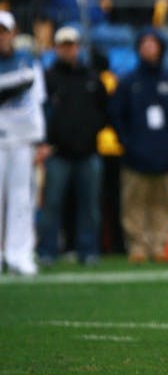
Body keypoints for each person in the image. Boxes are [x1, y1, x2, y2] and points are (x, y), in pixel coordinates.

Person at [109, 30, 168, 263]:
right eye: (145, 45)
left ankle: (159, 245)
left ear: (161, 49)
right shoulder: (128, 82)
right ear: (138, 49)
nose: (149, 49)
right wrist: (128, 144)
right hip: (135, 157)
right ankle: (137, 246)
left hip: (164, 156)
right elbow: (116, 116)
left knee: (162, 204)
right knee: (133, 204)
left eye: (153, 45)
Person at [37, 26, 108, 267]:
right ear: (56, 48)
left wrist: (91, 134)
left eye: (72, 45)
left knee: (89, 206)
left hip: (88, 151)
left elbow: (103, 111)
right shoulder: (48, 77)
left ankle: (88, 250)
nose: (68, 49)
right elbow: (39, 113)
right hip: (57, 152)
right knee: (52, 204)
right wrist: (47, 141)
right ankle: (47, 250)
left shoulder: (92, 77)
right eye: (64, 45)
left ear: (78, 47)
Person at [0, 11, 45, 275]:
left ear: (13, 33)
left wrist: (41, 138)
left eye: (4, 31)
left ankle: (19, 253)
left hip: (23, 138)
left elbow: (36, 97)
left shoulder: (27, 60)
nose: (1, 37)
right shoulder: (25, 63)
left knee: (21, 198)